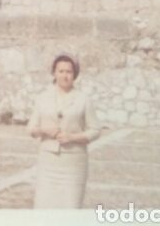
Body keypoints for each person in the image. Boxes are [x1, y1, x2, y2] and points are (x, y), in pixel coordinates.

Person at [28, 54, 100, 209]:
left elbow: (95, 130)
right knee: (44, 210)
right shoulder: (42, 98)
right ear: (54, 72)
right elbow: (31, 129)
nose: (64, 75)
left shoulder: (83, 99)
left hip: (73, 165)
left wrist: (72, 137)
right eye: (61, 71)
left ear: (75, 74)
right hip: (48, 163)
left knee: (70, 209)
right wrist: (44, 129)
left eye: (69, 72)